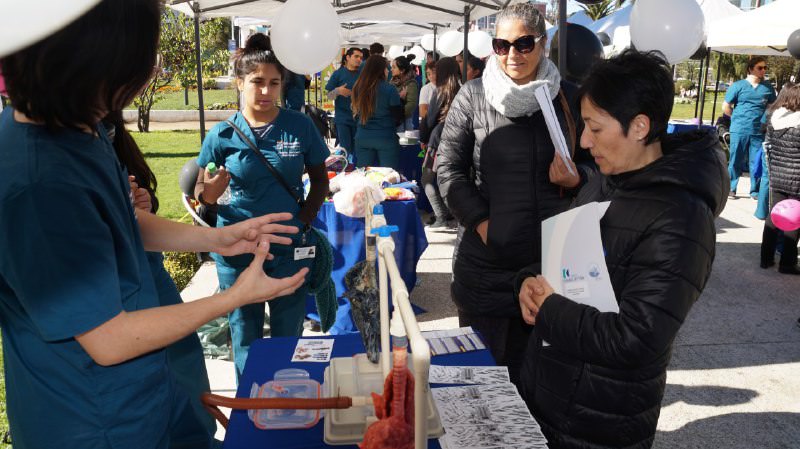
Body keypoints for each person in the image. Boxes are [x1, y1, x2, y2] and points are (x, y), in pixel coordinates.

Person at [0, 2, 309, 448]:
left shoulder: (77, 126)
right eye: (143, 62)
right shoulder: (38, 184)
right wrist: (237, 296)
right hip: (90, 418)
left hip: (144, 391)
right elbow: (108, 340)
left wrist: (218, 238)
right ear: (94, 62)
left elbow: (123, 221)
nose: (148, 75)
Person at [516, 49, 728, 449]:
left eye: (595, 129)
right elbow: (562, 261)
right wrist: (527, 282)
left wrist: (549, 308)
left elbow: (637, 337)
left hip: (601, 421)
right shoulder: (602, 181)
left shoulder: (681, 217)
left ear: (640, 126)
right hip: (547, 393)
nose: (583, 140)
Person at [436, 3, 595, 385]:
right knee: (482, 384)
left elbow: (604, 168)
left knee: (540, 385)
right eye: (501, 45)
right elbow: (448, 170)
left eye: (524, 44)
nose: (512, 54)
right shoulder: (472, 96)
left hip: (550, 268)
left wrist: (579, 179)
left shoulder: (569, 99)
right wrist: (483, 223)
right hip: (486, 266)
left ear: (542, 44)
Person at [195, 33, 330, 378]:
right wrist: (209, 194)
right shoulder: (222, 135)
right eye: (257, 82)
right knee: (245, 335)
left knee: (288, 336)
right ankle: (250, 406)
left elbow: (320, 182)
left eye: (274, 83)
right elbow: (202, 195)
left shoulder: (299, 126)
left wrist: (302, 221)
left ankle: (289, 403)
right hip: (235, 250)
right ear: (240, 82)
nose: (267, 91)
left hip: (286, 247)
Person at [105, 111, 217, 448]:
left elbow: (140, 219)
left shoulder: (105, 138)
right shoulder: (46, 161)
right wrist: (230, 298)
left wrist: (139, 207)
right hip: (115, 294)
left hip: (151, 278)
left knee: (185, 376)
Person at [760, 83, 800, 274]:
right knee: (794, 219)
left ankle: (765, 258)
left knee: (774, 215)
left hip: (777, 173)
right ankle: (787, 263)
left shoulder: (773, 117)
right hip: (797, 178)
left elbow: (768, 144)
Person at [723, 56, 776, 200]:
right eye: (760, 68)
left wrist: (766, 119)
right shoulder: (738, 86)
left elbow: (772, 106)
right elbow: (726, 107)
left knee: (756, 162)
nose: (763, 70)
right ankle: (731, 188)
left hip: (759, 131)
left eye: (765, 68)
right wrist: (736, 118)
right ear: (750, 69)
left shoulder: (768, 88)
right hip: (739, 129)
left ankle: (755, 191)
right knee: (735, 160)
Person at [420, 57, 460, 229]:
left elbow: (429, 120)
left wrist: (424, 138)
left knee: (427, 178)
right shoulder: (463, 89)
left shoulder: (440, 91)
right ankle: (452, 215)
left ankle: (441, 216)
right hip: (458, 140)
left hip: (438, 140)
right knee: (451, 179)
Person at [351, 55, 404, 169]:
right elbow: (398, 117)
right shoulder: (390, 89)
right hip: (386, 137)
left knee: (364, 178)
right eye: (386, 68)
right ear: (380, 70)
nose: (388, 70)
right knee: (389, 178)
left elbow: (355, 115)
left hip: (363, 136)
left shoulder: (357, 87)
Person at [326, 47, 363, 157]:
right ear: (347, 57)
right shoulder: (338, 74)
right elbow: (328, 96)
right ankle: (347, 171)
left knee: (358, 150)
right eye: (356, 56)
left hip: (360, 119)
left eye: (361, 57)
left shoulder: (362, 75)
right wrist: (338, 91)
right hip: (343, 119)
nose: (359, 59)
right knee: (346, 150)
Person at [390, 54, 419, 132]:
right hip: (393, 121)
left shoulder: (411, 84)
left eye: (394, 67)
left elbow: (411, 105)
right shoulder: (392, 82)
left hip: (403, 123)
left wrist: (397, 114)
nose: (391, 69)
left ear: (402, 70)